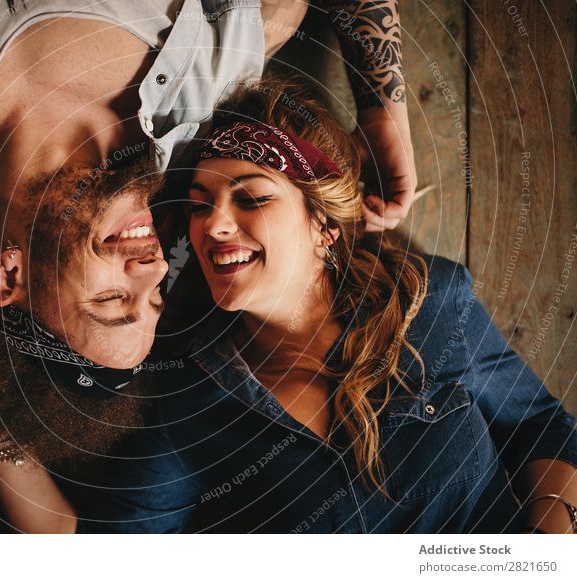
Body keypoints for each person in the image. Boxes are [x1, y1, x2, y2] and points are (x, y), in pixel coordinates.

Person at [0, 0, 419, 531]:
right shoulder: (200, 80)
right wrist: (384, 108)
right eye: (156, 298)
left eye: (113, 302)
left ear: (9, 276)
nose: (150, 272)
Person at [73, 79, 577, 533]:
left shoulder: (430, 302)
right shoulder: (192, 397)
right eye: (201, 203)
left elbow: (539, 425)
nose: (212, 225)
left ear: (325, 227)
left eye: (251, 198)